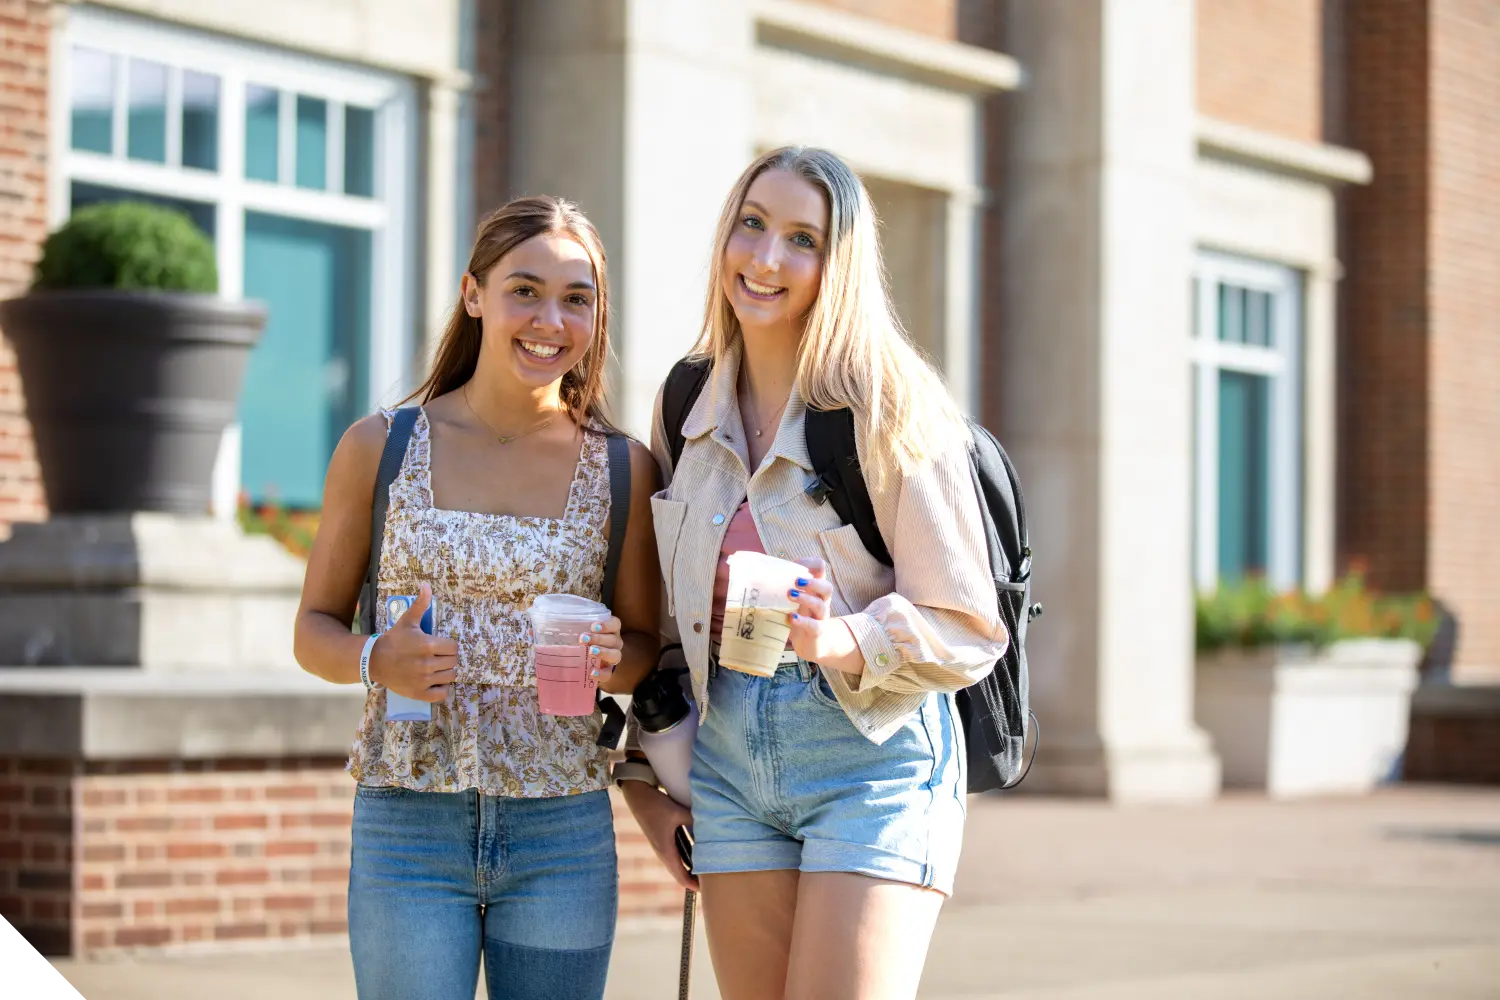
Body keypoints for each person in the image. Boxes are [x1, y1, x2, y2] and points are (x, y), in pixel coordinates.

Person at [618, 146, 1009, 1000]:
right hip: (727, 757)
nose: (765, 259)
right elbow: (667, 625)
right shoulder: (685, 403)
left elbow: (970, 622)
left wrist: (843, 637)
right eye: (752, 225)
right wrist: (648, 775)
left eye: (803, 239)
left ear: (841, 264)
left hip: (872, 755)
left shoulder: (890, 405)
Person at [293, 196, 660, 1000]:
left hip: (560, 825)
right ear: (473, 295)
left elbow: (645, 652)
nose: (548, 319)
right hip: (407, 823)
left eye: (576, 297)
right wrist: (372, 658)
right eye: (523, 290)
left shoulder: (625, 468)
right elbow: (311, 629)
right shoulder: (379, 446)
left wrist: (610, 654)